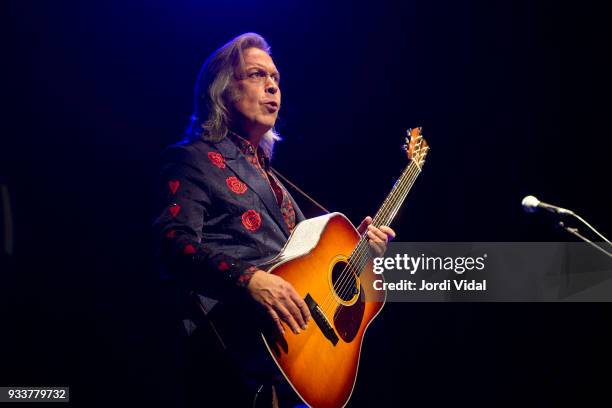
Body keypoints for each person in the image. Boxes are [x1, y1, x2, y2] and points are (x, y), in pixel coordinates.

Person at [153, 32, 396, 407]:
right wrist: (248, 279)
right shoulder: (192, 158)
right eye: (256, 75)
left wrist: (362, 252)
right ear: (220, 90)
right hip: (232, 362)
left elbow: (311, 272)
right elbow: (170, 243)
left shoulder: (273, 179)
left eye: (276, 79)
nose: (272, 87)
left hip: (288, 365)